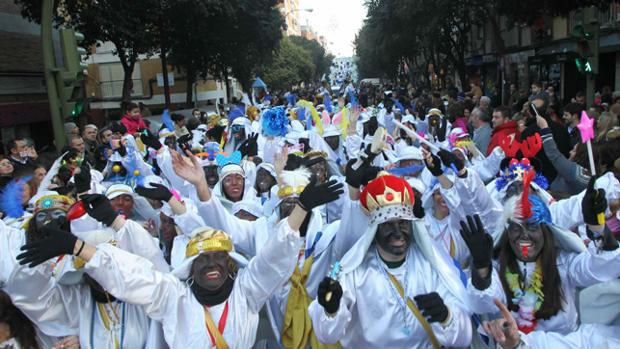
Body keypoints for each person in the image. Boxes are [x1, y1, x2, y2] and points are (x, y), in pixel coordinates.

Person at [308, 174, 473, 348]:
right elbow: (326, 336)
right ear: (374, 230)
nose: (397, 231)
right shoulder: (353, 272)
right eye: (387, 224)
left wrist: (446, 317)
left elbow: (463, 338)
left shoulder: (430, 266)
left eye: (403, 223)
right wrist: (331, 311)